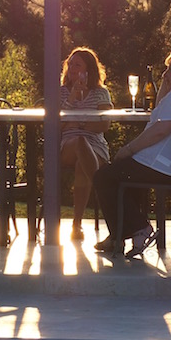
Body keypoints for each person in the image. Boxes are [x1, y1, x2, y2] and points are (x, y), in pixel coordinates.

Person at [92, 45, 171, 257]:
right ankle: (117, 237)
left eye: (170, 70)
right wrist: (166, 87)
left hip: (163, 165)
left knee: (104, 176)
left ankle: (139, 229)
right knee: (123, 174)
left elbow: (160, 129)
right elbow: (158, 113)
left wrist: (129, 149)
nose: (165, 74)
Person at [59, 47, 113, 241]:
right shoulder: (62, 92)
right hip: (68, 144)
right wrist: (72, 97)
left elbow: (104, 124)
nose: (73, 68)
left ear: (89, 70)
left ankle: (77, 224)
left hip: (96, 145)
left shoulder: (100, 93)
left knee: (83, 163)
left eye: (78, 64)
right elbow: (58, 126)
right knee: (80, 142)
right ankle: (106, 191)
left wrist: (78, 123)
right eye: (70, 64)